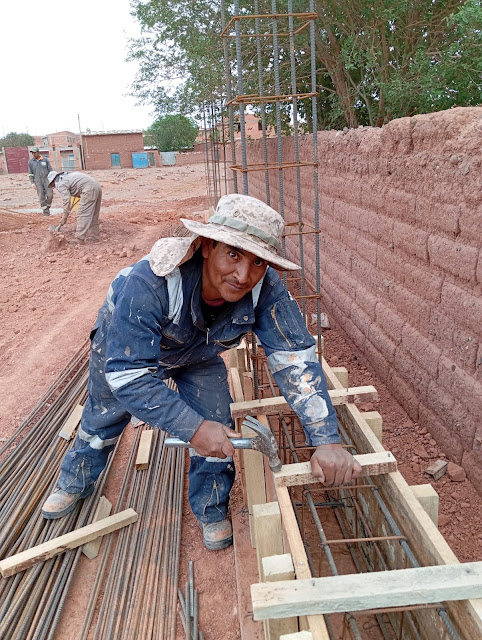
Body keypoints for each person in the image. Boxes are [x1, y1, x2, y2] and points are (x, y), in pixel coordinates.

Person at [41, 194, 361, 550]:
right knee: (105, 415)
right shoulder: (151, 282)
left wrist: (326, 440)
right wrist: (190, 427)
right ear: (207, 246)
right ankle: (74, 481)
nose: (243, 275)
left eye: (258, 262)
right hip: (126, 349)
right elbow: (129, 376)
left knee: (216, 422)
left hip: (198, 353)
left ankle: (211, 508)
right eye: (234, 254)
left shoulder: (266, 290)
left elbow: (295, 360)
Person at [47, 170, 102, 244]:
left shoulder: (60, 183)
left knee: (83, 214)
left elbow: (66, 200)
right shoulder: (68, 177)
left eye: (52, 185)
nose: (54, 187)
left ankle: (79, 238)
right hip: (96, 186)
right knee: (93, 215)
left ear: (53, 181)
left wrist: (64, 217)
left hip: (88, 189)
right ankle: (94, 237)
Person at [28, 147, 53, 216]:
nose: (33, 154)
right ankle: (46, 213)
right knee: (41, 197)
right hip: (37, 181)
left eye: (34, 152)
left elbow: (51, 171)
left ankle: (47, 206)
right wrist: (32, 183)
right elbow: (30, 173)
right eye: (32, 153)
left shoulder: (45, 160)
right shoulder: (31, 162)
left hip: (47, 180)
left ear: (38, 152)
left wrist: (52, 181)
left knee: (50, 195)